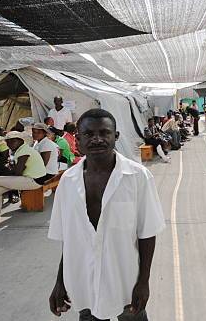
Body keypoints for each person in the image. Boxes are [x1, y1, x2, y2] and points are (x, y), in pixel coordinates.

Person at [48, 108, 165, 321]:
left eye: (104, 133)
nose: (97, 139)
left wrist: (143, 281)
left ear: (116, 136)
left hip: (125, 280)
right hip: (84, 280)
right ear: (78, 139)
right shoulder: (68, 181)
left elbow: (147, 233)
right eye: (89, 134)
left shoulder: (138, 177)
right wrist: (60, 281)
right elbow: (70, 237)